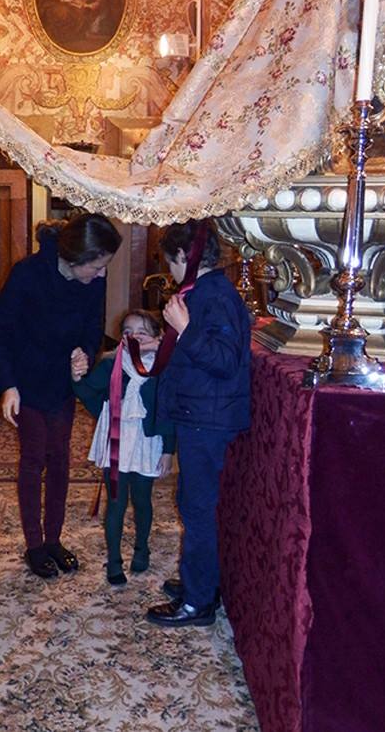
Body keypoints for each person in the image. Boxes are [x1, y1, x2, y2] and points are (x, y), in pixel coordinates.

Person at [0, 214, 122, 579]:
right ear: (76, 258)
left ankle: (54, 540)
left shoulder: (92, 281)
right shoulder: (28, 274)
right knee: (33, 459)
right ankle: (35, 546)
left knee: (60, 459)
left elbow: (92, 328)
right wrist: (8, 385)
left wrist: (84, 353)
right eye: (97, 266)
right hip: (26, 381)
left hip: (61, 383)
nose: (102, 275)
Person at [146, 219, 251, 627]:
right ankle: (201, 582)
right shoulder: (205, 291)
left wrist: (184, 329)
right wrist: (167, 340)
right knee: (194, 504)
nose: (170, 270)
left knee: (198, 509)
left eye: (170, 261)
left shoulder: (215, 295)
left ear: (182, 256)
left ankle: (198, 601)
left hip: (208, 420)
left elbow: (225, 361)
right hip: (201, 413)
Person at [72, 309, 175, 586]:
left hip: (146, 443)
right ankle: (114, 560)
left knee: (142, 500)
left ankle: (142, 548)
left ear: (157, 337)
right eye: (128, 332)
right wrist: (77, 378)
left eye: (142, 332)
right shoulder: (112, 364)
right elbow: (89, 393)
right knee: (116, 502)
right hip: (117, 440)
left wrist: (168, 450)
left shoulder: (164, 367)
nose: (134, 337)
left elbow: (168, 412)